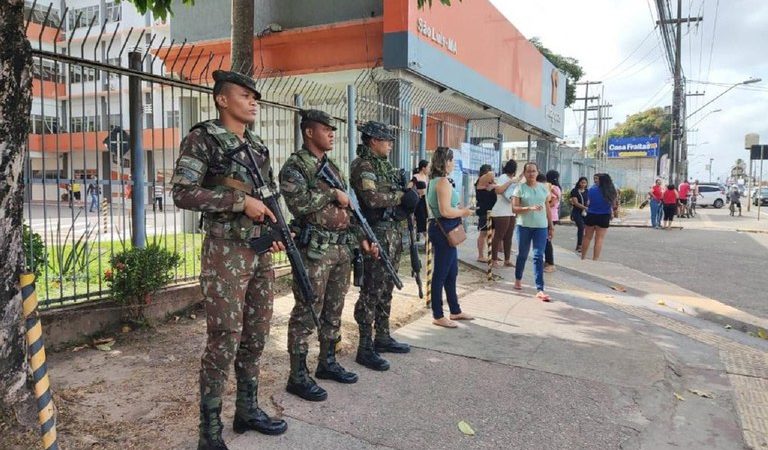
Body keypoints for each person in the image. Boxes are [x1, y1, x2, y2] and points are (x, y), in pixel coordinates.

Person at [171, 70, 287, 449]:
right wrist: (240, 202)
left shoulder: (257, 145)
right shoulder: (203, 139)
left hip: (257, 253)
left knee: (256, 335)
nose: (254, 101)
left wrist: (272, 233)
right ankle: (209, 430)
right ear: (222, 100)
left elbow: (266, 197)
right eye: (245, 95)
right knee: (224, 338)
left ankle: (247, 409)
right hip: (225, 253)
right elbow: (183, 193)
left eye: (256, 97)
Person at [279, 109, 377, 402]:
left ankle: (327, 362)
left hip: (339, 248)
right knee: (307, 311)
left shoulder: (332, 166)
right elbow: (298, 204)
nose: (332, 133)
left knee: (334, 309)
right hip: (314, 251)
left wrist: (363, 237)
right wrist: (332, 195)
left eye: (333, 129)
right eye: (326, 129)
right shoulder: (295, 167)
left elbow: (350, 209)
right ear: (309, 132)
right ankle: (297, 376)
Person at [349, 121, 420, 371]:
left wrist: (407, 194)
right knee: (371, 290)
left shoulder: (384, 166)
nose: (390, 144)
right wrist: (401, 197)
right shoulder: (364, 166)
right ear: (372, 141)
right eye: (386, 140)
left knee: (386, 287)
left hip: (392, 231)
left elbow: (393, 193)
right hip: (376, 232)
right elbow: (371, 198)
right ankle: (365, 346)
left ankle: (382, 335)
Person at [426, 147, 474, 328]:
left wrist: (459, 208)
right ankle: (438, 314)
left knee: (451, 272)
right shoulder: (442, 182)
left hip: (442, 229)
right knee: (441, 273)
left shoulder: (436, 181)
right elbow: (446, 211)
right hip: (443, 230)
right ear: (445, 161)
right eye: (452, 160)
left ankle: (455, 310)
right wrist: (464, 211)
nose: (454, 163)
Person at [511, 162, 554, 302]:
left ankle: (540, 288)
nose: (531, 174)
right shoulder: (519, 188)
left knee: (538, 256)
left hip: (541, 227)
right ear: (524, 173)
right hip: (524, 226)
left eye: (534, 171)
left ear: (537, 172)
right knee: (522, 254)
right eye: (528, 171)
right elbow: (514, 209)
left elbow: (547, 207)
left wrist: (551, 225)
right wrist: (528, 208)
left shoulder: (543, 188)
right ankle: (518, 279)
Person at [581, 173, 618, 260]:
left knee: (587, 237)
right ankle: (595, 259)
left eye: (597, 179)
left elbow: (588, 203)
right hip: (604, 216)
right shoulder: (611, 191)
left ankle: (583, 257)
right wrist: (613, 212)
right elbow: (614, 205)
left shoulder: (591, 190)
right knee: (599, 239)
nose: (596, 181)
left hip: (591, 214)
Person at [489, 160, 519, 267]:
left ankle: (507, 260)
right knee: (499, 235)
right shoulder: (503, 177)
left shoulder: (514, 179)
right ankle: (494, 260)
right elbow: (498, 190)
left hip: (510, 211)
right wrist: (510, 182)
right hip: (501, 211)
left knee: (509, 236)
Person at [474, 164, 497, 262]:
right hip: (484, 211)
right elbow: (491, 174)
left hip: (491, 210)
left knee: (492, 233)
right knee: (483, 233)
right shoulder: (480, 181)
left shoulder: (489, 183)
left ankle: (491, 254)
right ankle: (480, 255)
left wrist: (493, 185)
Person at [544, 170, 561, 273]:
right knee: (545, 240)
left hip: (550, 216)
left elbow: (552, 203)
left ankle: (551, 263)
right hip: (551, 216)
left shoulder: (552, 188)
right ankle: (547, 261)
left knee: (547, 241)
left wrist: (541, 206)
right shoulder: (556, 187)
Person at [569, 177, 589, 253]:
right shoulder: (574, 191)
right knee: (581, 227)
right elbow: (575, 203)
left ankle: (582, 244)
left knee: (586, 228)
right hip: (577, 212)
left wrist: (588, 206)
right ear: (579, 182)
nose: (583, 184)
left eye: (585, 183)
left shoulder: (587, 191)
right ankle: (579, 245)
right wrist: (585, 208)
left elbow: (589, 200)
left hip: (585, 213)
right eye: (582, 182)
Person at [411, 160, 429, 242]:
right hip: (419, 201)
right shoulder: (416, 176)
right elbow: (409, 186)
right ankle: (427, 240)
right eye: (428, 167)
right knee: (421, 219)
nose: (429, 169)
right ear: (423, 168)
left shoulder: (426, 177)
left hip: (426, 201)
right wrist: (417, 193)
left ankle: (428, 241)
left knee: (426, 220)